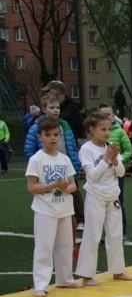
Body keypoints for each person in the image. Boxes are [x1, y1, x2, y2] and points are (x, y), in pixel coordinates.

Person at [75, 112, 132, 286]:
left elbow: (121, 172)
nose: (107, 132)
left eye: (109, 129)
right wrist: (106, 159)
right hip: (95, 195)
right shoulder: (86, 149)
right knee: (93, 235)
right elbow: (92, 176)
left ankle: (118, 271)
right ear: (91, 130)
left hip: (112, 194)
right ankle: (87, 276)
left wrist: (116, 161)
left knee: (115, 234)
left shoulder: (110, 146)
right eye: (103, 129)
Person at [25, 117, 83, 297]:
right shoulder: (37, 159)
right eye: (48, 135)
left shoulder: (64, 159)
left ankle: (65, 279)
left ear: (60, 137)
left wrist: (66, 187)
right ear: (39, 136)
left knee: (65, 246)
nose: (52, 138)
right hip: (45, 209)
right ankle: (41, 284)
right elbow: (32, 188)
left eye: (56, 135)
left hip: (64, 209)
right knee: (44, 247)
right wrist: (53, 186)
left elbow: (73, 185)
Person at [25, 94, 84, 231]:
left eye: (57, 107)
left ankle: (80, 220)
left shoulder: (64, 125)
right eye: (52, 107)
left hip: (64, 167)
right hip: (46, 174)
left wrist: (74, 162)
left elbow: (71, 144)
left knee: (74, 194)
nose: (56, 110)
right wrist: (40, 163)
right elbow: (29, 148)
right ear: (44, 109)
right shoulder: (36, 127)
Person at [100, 104, 132, 239]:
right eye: (102, 115)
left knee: (117, 201)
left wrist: (119, 160)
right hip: (102, 173)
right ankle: (107, 232)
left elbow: (129, 151)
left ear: (113, 116)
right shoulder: (97, 134)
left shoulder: (120, 132)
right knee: (102, 203)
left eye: (108, 114)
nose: (106, 117)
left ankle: (122, 231)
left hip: (116, 173)